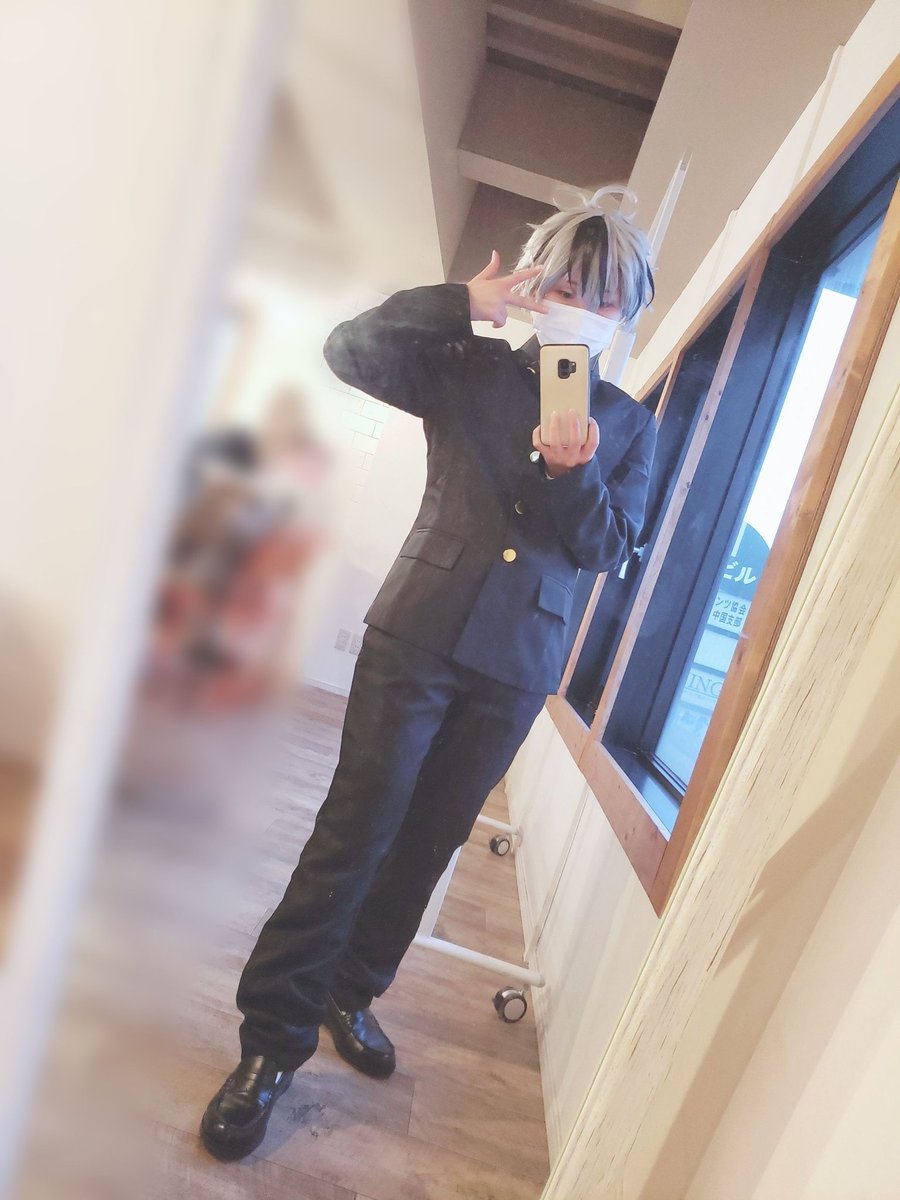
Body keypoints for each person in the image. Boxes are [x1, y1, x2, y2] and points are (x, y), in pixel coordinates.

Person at [200, 186, 657, 1161]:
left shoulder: (628, 425)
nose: (584, 306)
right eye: (569, 285)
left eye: (605, 296)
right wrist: (459, 304)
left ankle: (350, 992)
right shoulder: (467, 365)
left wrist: (574, 473)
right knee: (355, 829)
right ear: (538, 285)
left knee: (428, 845)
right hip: (416, 634)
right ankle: (271, 1041)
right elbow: (347, 351)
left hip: (516, 666)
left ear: (629, 310)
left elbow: (613, 551)